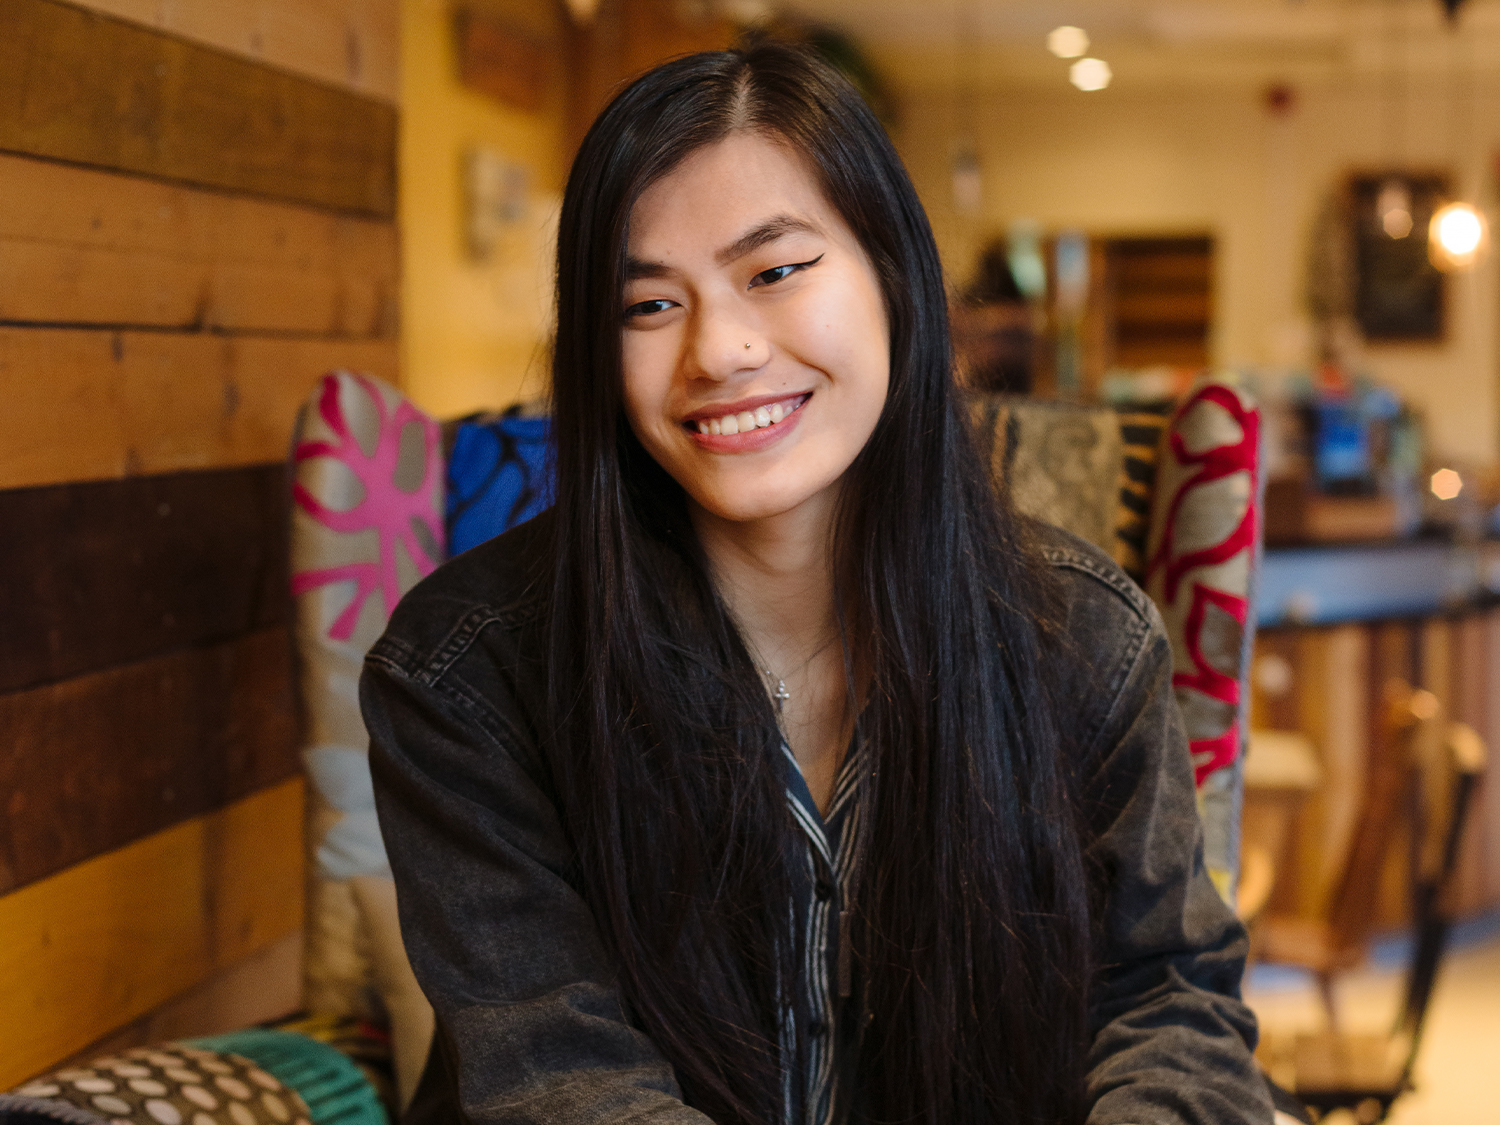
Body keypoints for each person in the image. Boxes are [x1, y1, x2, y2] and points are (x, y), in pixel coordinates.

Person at [361, 42, 1273, 1125]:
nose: (720, 351)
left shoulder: (1083, 637)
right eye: (647, 306)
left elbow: (1167, 1003)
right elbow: (559, 1077)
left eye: (775, 272)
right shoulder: (468, 674)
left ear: (896, 278)